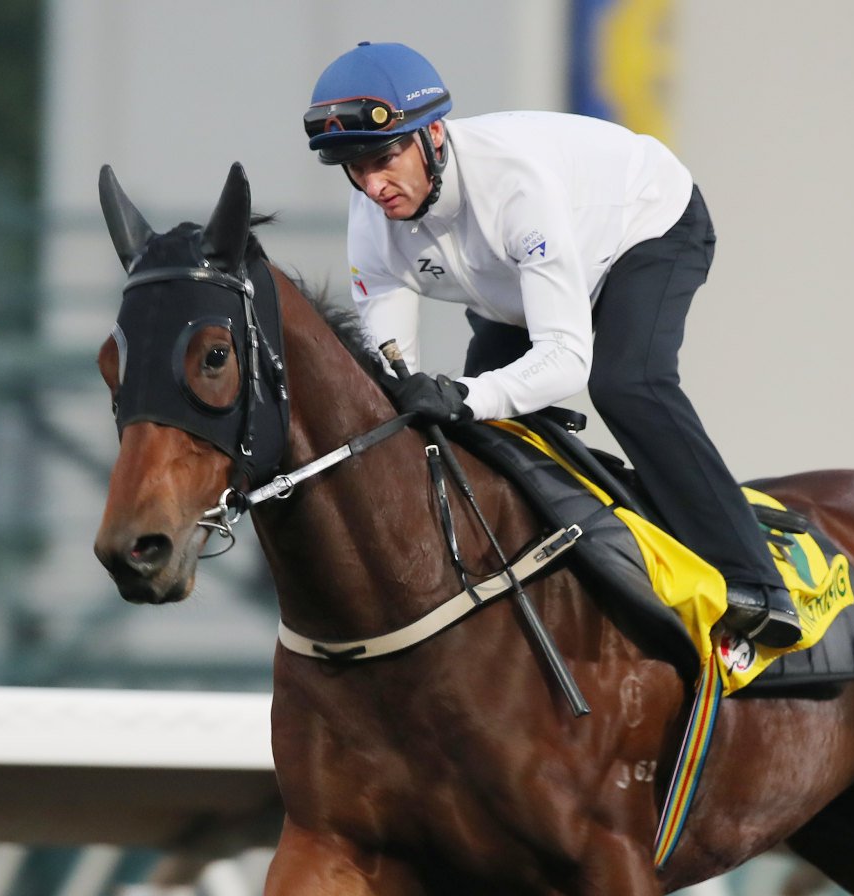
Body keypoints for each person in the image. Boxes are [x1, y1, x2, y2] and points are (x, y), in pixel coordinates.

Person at [303, 41, 803, 649]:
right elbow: (393, 380)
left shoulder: (513, 185)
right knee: (477, 429)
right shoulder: (371, 221)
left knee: (626, 383)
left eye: (384, 158)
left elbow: (567, 358)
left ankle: (755, 576)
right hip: (515, 282)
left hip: (645, 224)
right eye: (354, 170)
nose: (373, 186)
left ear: (434, 135)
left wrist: (464, 394)